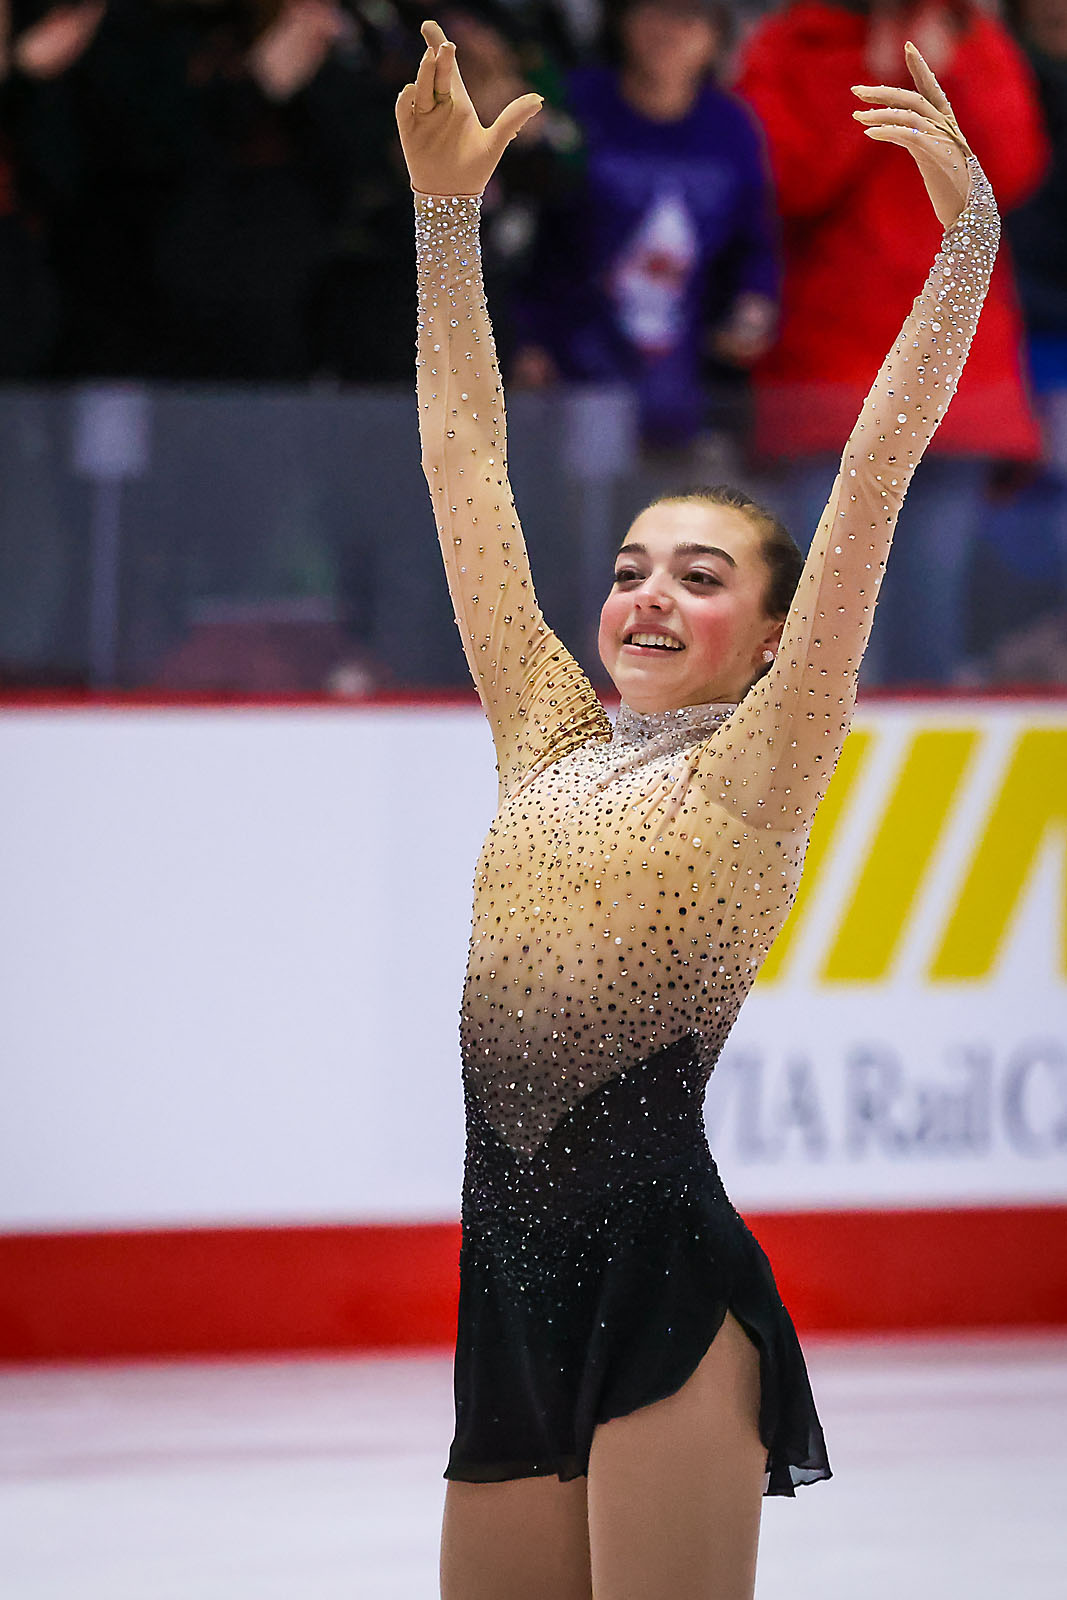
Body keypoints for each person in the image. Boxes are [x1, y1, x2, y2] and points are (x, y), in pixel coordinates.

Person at [396, 19, 999, 1598]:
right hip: (505, 1305)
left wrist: (964, 251)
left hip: (663, 1295)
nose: (646, 597)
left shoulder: (761, 765)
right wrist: (445, 223)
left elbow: (864, 486)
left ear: (765, 628)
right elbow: (465, 466)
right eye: (629, 567)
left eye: (701, 574)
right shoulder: (542, 735)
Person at [737, 0, 1046, 686]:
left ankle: (913, 784)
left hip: (954, 375)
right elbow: (776, 181)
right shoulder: (789, 47)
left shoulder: (973, 38)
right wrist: (872, 78)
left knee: (926, 623)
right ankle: (799, 780)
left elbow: (1010, 173)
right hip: (825, 382)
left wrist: (950, 74)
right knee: (815, 619)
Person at [510, 0, 779, 470]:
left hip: (685, 376)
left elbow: (754, 240)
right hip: (573, 368)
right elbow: (530, 232)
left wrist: (753, 303)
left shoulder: (731, 125)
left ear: (717, 35)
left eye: (689, 17)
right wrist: (525, 337)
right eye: (652, 12)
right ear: (620, 21)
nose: (669, 32)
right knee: (583, 517)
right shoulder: (577, 107)